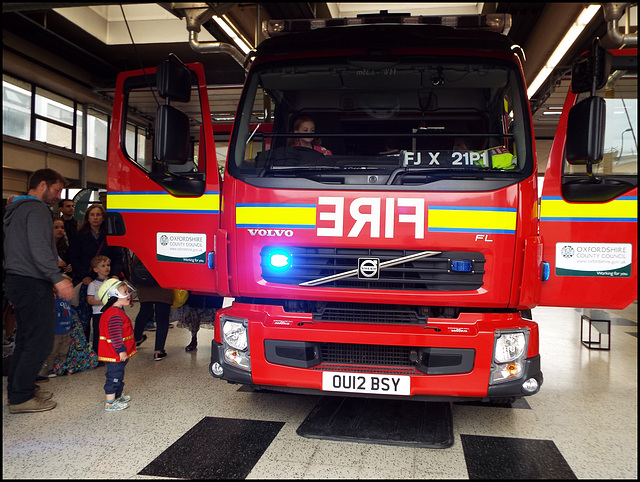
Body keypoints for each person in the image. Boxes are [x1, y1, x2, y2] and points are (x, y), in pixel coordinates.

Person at [4, 168, 74, 414]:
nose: (58, 196)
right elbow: (39, 248)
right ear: (42, 185)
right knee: (40, 341)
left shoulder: (16, 208)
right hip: (31, 281)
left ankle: (18, 390)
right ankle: (21, 397)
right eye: (56, 190)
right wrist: (56, 279)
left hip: (19, 280)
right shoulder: (36, 209)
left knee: (24, 339)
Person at [68, 203, 123, 341]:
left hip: (106, 279)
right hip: (87, 279)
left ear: (103, 217)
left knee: (104, 319)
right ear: (88, 217)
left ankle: (102, 350)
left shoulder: (109, 235)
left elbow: (117, 257)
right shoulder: (80, 235)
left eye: (98, 214)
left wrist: (115, 274)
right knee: (84, 319)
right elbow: (74, 257)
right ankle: (85, 351)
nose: (95, 217)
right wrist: (83, 275)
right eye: (92, 214)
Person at [96, 278, 137, 411]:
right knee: (114, 377)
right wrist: (121, 350)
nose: (128, 294)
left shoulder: (117, 312)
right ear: (112, 296)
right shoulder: (114, 315)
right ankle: (110, 403)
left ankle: (117, 396)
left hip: (115, 354)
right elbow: (115, 335)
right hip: (115, 354)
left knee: (119, 375)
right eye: (124, 292)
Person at [131, 255, 173, 361]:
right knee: (162, 319)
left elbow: (134, 264)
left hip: (144, 284)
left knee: (144, 311)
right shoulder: (165, 246)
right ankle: (158, 351)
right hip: (163, 284)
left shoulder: (142, 244)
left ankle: (136, 339)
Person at [38, 277, 74, 378]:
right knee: (53, 352)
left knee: (64, 351)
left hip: (66, 330)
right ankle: (49, 369)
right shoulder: (52, 298)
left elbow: (70, 311)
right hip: (55, 331)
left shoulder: (67, 300)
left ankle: (61, 367)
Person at [86, 255, 111, 355]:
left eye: (108, 265)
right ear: (95, 269)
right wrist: (104, 302)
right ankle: (97, 354)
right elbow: (90, 300)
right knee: (99, 334)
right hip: (99, 313)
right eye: (103, 266)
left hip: (111, 312)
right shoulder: (93, 284)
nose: (107, 268)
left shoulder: (111, 282)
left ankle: (110, 352)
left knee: (111, 332)